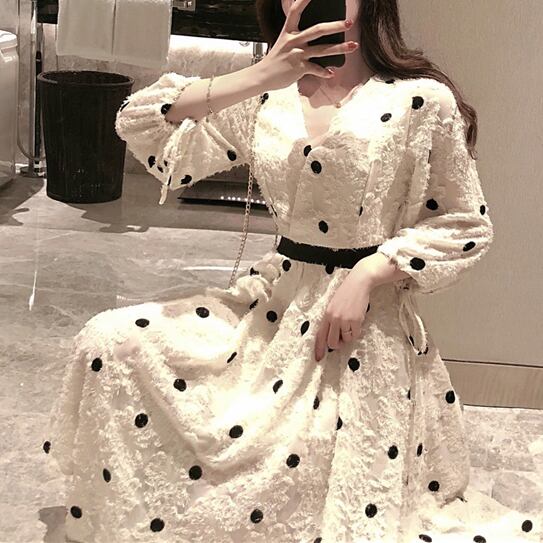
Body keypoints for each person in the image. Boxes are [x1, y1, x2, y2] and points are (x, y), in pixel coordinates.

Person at [43, 0, 541, 541]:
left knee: (308, 463)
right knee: (110, 341)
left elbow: (465, 223)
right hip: (271, 306)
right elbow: (140, 123)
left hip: (358, 328)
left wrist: (369, 273)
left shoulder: (419, 100)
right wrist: (261, 73)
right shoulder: (266, 97)